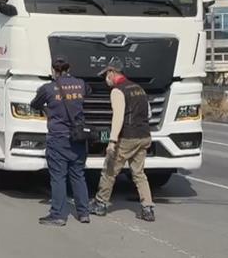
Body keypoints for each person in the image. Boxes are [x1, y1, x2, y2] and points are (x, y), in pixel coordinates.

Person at [30, 57, 91, 226]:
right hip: (78, 137)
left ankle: (58, 215)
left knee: (58, 177)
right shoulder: (80, 84)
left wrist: (47, 109)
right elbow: (89, 92)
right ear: (69, 68)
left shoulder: (48, 88)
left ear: (53, 70)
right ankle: (84, 213)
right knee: (78, 175)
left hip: (58, 138)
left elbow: (34, 104)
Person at [90, 66, 155, 222]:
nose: (105, 80)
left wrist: (112, 141)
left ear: (112, 73)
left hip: (127, 137)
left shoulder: (118, 91)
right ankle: (148, 208)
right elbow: (149, 113)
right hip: (144, 136)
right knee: (139, 174)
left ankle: (100, 203)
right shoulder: (139, 89)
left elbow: (118, 118)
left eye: (106, 76)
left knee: (109, 171)